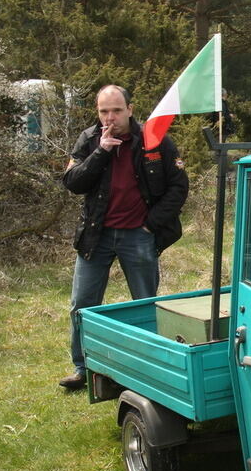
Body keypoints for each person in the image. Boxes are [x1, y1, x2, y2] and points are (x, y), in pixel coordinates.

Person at [59, 85, 189, 389]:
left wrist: (150, 225)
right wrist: (101, 151)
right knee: (83, 303)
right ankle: (82, 367)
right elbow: (73, 182)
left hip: (138, 235)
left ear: (130, 109)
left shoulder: (154, 139)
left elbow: (179, 187)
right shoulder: (90, 139)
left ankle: (152, 364)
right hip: (96, 235)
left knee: (145, 301)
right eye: (104, 111)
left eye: (116, 110)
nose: (110, 118)